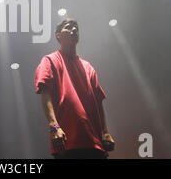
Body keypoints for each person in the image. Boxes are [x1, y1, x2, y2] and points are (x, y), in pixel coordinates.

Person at [34, 18, 114, 159]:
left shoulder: (88, 67)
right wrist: (54, 127)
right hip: (68, 142)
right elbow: (45, 94)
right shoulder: (50, 60)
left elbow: (98, 102)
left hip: (95, 143)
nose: (74, 29)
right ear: (58, 35)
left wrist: (105, 132)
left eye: (76, 27)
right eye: (68, 27)